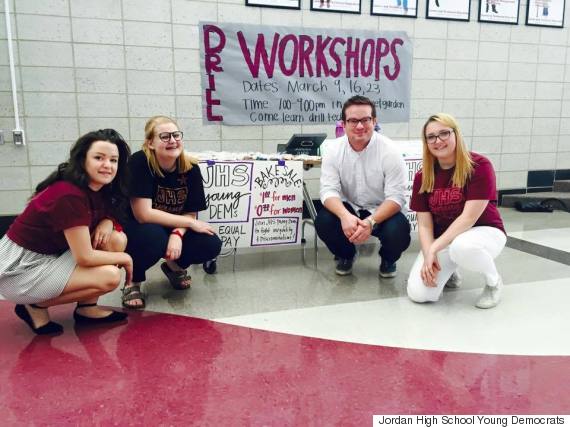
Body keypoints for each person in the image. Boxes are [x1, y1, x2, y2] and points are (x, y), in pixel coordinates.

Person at [0, 129, 133, 335]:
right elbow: (85, 257)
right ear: (82, 160)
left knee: (115, 239)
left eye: (113, 160)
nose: (107, 165)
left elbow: (106, 213)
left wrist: (108, 221)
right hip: (20, 270)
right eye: (99, 158)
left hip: (50, 257)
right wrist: (125, 258)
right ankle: (35, 304)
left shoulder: (97, 187)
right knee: (110, 276)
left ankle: (87, 309)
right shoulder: (68, 195)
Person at [407, 113, 506, 309]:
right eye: (431, 137)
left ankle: (493, 282)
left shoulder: (479, 166)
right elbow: (425, 224)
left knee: (462, 247)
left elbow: (468, 219)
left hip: (484, 232)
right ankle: (451, 270)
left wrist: (435, 248)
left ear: (456, 134)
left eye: (444, 133)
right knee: (420, 294)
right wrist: (429, 254)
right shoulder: (423, 176)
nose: (438, 141)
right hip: (447, 239)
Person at [122, 116, 222, 309]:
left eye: (176, 135)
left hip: (172, 226)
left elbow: (190, 213)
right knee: (152, 237)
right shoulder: (140, 162)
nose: (173, 140)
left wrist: (177, 234)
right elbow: (143, 214)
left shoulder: (190, 168)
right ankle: (132, 281)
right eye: (165, 136)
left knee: (210, 243)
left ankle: (173, 266)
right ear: (150, 143)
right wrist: (190, 224)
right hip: (139, 226)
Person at [315, 95, 411, 277]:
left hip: (381, 210)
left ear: (374, 121)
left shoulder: (390, 151)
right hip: (349, 207)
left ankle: (388, 259)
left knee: (399, 230)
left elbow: (396, 198)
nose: (360, 126)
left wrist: (370, 222)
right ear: (343, 124)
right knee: (324, 220)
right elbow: (328, 191)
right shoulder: (333, 150)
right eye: (353, 121)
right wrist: (344, 216)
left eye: (365, 120)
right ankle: (346, 255)